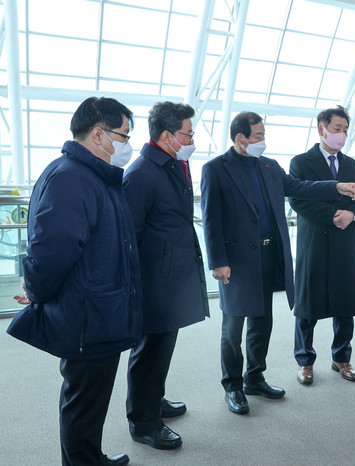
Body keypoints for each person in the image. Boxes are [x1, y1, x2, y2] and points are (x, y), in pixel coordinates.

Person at [201, 111, 355, 415]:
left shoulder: (269, 166)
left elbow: (300, 187)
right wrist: (217, 261)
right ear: (241, 138)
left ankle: (255, 378)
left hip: (268, 256)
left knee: (262, 322)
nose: (263, 140)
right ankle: (233, 386)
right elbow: (210, 219)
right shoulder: (215, 169)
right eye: (258, 135)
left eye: (264, 134)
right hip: (236, 262)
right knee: (233, 328)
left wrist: (336, 187)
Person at [7, 97, 141, 466]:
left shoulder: (93, 175)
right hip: (88, 316)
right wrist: (36, 291)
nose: (127, 144)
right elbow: (51, 251)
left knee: (91, 402)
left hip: (99, 310)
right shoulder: (72, 178)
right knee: (83, 405)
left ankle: (90, 457)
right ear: (98, 134)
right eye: (124, 135)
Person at [122, 101, 210, 450]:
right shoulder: (141, 174)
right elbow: (129, 237)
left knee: (162, 349)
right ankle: (143, 423)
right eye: (187, 133)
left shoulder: (173, 164)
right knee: (148, 352)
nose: (192, 140)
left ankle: (153, 400)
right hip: (152, 281)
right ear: (166, 135)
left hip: (171, 277)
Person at [289, 105, 355, 385]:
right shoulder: (301, 162)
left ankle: (341, 358)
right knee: (307, 305)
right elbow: (298, 200)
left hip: (346, 239)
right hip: (315, 240)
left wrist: (352, 214)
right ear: (321, 129)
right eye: (337, 128)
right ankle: (304, 361)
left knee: (345, 302)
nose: (342, 135)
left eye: (346, 130)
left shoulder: (352, 165)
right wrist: (333, 214)